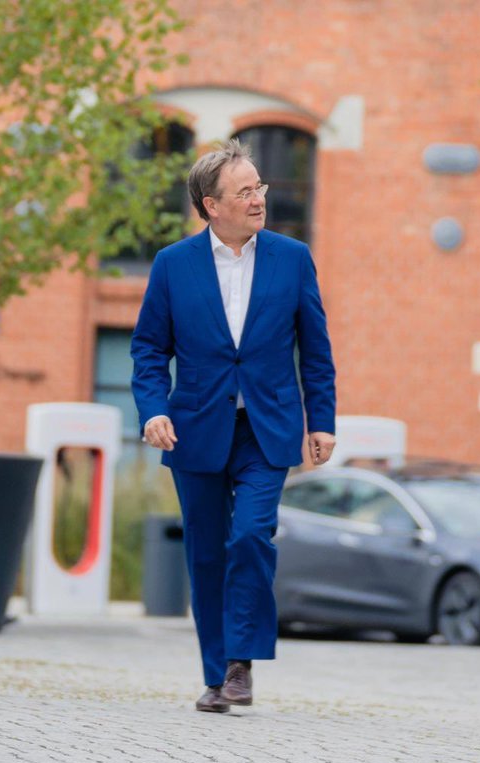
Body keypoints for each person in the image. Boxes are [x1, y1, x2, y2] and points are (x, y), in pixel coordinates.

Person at [132, 139, 337, 713]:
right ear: (211, 205)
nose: (258, 199)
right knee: (206, 553)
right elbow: (148, 349)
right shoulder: (173, 265)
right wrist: (153, 410)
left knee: (249, 535)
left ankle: (241, 660)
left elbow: (315, 349)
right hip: (196, 428)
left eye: (259, 187)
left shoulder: (292, 258)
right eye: (244, 191)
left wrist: (322, 421)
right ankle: (215, 675)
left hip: (267, 428)